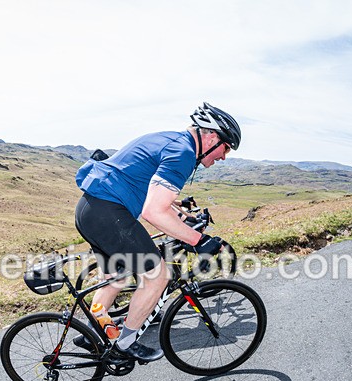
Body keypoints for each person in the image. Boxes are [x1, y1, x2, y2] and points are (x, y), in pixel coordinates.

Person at [73, 102, 240, 362]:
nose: (223, 157)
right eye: (225, 148)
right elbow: (154, 212)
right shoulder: (183, 152)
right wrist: (199, 240)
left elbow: (161, 205)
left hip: (89, 209)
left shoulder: (172, 141)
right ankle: (123, 344)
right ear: (211, 137)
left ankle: (93, 331)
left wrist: (186, 228)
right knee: (158, 275)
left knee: (116, 278)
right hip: (108, 213)